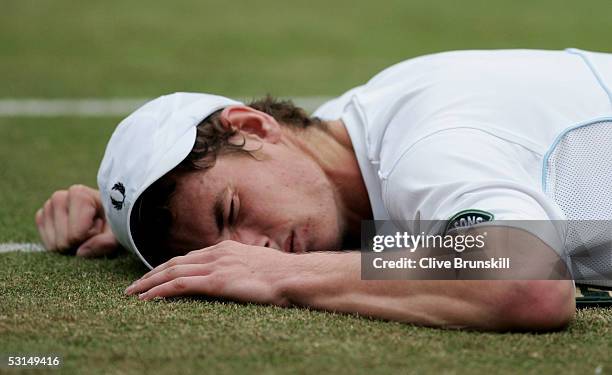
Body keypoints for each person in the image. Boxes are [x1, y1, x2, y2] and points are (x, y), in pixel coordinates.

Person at [35, 48, 612, 331]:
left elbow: (526, 281)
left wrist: (284, 276)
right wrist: (117, 218)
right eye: (214, 245)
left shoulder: (424, 145)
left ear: (254, 127)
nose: (249, 249)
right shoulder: (348, 136)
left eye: (232, 210)